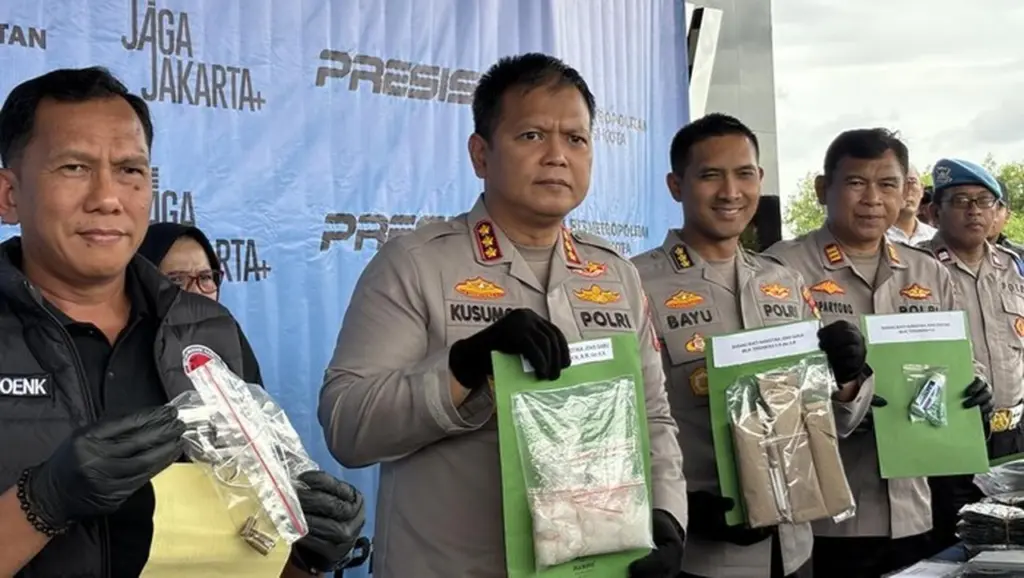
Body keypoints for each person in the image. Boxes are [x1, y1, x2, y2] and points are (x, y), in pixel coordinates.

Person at [318, 53, 687, 578]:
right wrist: (465, 367)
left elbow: (652, 417)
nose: (557, 156)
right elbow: (347, 426)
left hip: (594, 566)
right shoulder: (415, 265)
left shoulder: (616, 274)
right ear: (481, 154)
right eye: (532, 136)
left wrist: (668, 515)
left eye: (576, 139)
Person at [0, 67, 364, 577]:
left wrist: (305, 547)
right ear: (9, 195)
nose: (108, 198)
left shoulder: (208, 331)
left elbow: (255, 538)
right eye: (74, 167)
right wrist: (41, 502)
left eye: (129, 170)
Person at [634, 113, 868, 578]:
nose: (730, 192)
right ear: (676, 186)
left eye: (744, 174)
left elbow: (834, 418)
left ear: (759, 179)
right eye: (710, 175)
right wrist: (675, 506)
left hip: (794, 547)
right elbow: (624, 421)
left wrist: (847, 378)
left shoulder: (784, 281)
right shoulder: (636, 283)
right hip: (702, 558)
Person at [763, 129, 994, 578]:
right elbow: (766, 385)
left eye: (887, 184)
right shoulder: (781, 269)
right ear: (822, 189)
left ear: (906, 192)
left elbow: (960, 358)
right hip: (825, 514)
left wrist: (976, 387)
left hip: (917, 505)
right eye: (856, 183)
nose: (872, 199)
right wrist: (834, 395)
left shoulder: (928, 271)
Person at [917, 158, 1020, 552]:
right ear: (934, 211)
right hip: (950, 435)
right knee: (954, 546)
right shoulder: (914, 270)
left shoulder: (1014, 268)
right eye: (960, 201)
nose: (974, 210)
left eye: (984, 200)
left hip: (1014, 437)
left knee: (1012, 545)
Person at [887, 164, 936, 245]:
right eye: (901, 184)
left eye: (912, 182)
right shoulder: (876, 236)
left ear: (922, 190)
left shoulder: (934, 237)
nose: (907, 191)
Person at [988, 180, 1024, 258]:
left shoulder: (1019, 257)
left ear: (1007, 216)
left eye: (997, 207)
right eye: (982, 202)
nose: (988, 214)